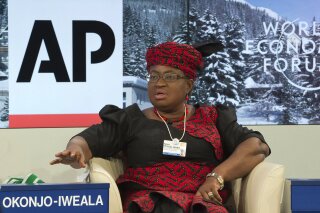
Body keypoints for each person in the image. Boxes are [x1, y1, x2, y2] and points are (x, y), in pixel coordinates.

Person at [50, 41, 270, 213]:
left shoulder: (212, 117)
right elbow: (86, 140)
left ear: (189, 85)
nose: (159, 83)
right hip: (148, 202)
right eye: (153, 76)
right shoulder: (130, 119)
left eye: (170, 76)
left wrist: (217, 176)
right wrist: (75, 150)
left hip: (202, 202)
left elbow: (256, 147)